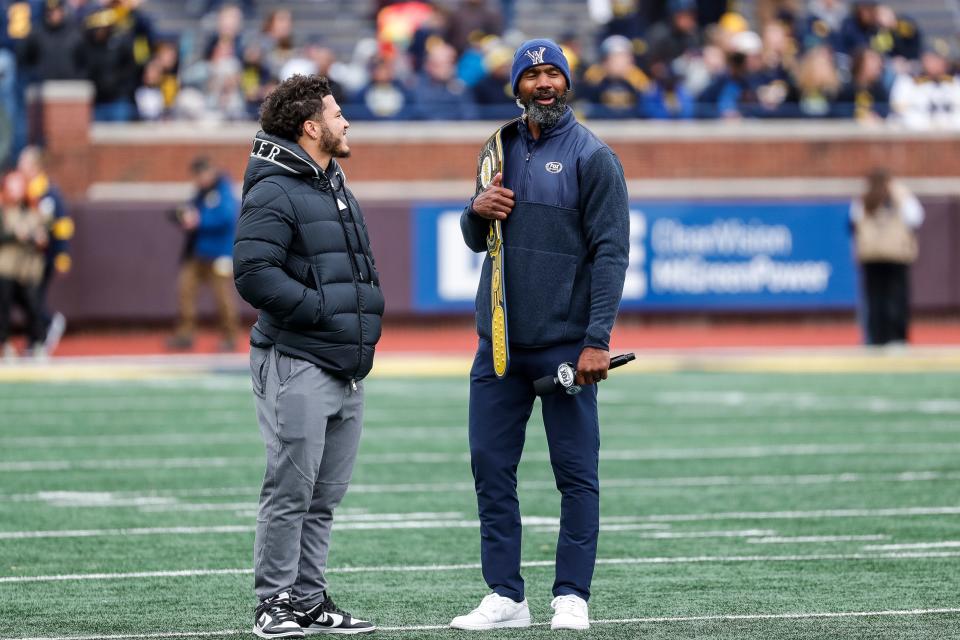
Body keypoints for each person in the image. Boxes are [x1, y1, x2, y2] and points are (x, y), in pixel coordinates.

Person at [450, 39, 629, 632]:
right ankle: (506, 594)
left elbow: (611, 255)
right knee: (489, 466)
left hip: (563, 345)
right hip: (499, 341)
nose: (544, 83)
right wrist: (476, 211)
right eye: (533, 75)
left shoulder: (594, 157)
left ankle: (572, 594)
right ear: (516, 86)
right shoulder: (497, 146)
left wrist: (596, 339)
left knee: (575, 473)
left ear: (568, 83)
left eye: (554, 73)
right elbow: (477, 240)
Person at [233, 74, 383, 637]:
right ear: (311, 126)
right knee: (290, 489)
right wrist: (322, 311)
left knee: (324, 496)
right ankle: (272, 603)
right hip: (297, 356)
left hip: (343, 363)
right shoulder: (277, 188)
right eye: (337, 113)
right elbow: (253, 274)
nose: (346, 122)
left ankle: (310, 598)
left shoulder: (329, 181)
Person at [166, 156, 238, 351]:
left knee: (222, 297)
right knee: (185, 291)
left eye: (202, 174)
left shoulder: (223, 190)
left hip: (219, 254)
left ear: (211, 171)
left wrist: (199, 220)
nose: (200, 179)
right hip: (197, 253)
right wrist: (182, 214)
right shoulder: (200, 193)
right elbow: (189, 211)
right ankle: (185, 334)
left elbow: (226, 216)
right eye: (197, 176)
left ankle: (230, 336)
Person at [850, 168, 923, 345]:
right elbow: (916, 218)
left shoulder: (865, 197)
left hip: (872, 255)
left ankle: (876, 337)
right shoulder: (900, 195)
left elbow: (852, 222)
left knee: (875, 298)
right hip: (895, 254)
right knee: (895, 297)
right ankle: (896, 338)